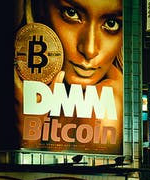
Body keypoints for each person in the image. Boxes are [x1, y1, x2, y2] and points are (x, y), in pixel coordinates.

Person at [14, 0, 124, 153]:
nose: (89, 50)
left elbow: (77, 176)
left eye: (111, 24)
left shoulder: (103, 106)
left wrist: (28, 139)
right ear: (39, 9)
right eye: (72, 14)